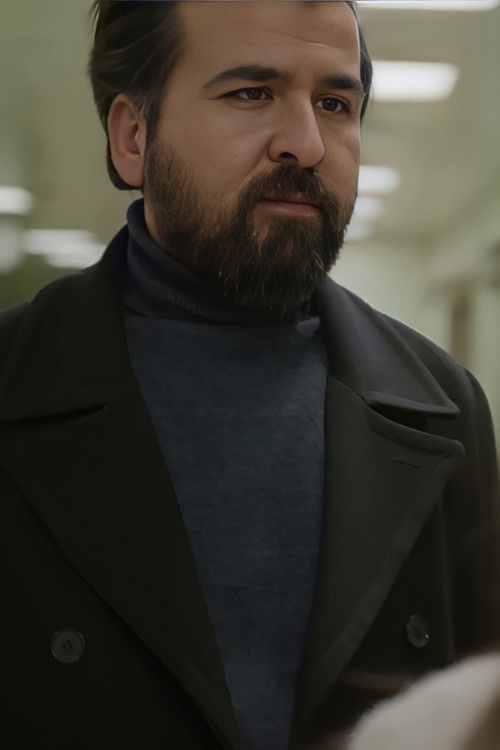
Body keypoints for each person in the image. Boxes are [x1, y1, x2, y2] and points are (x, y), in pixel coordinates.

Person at [0, 2, 498, 748]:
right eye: (251, 93)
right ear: (134, 137)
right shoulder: (15, 381)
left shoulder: (444, 406)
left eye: (335, 104)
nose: (306, 143)